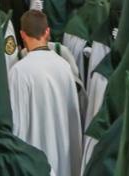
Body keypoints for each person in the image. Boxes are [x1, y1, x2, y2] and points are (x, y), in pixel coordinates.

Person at [8, 10, 82, 176]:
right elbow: (74, 116)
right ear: (47, 31)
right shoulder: (64, 65)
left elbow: (15, 124)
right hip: (64, 152)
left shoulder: (19, 71)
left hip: (35, 159)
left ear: (22, 34)